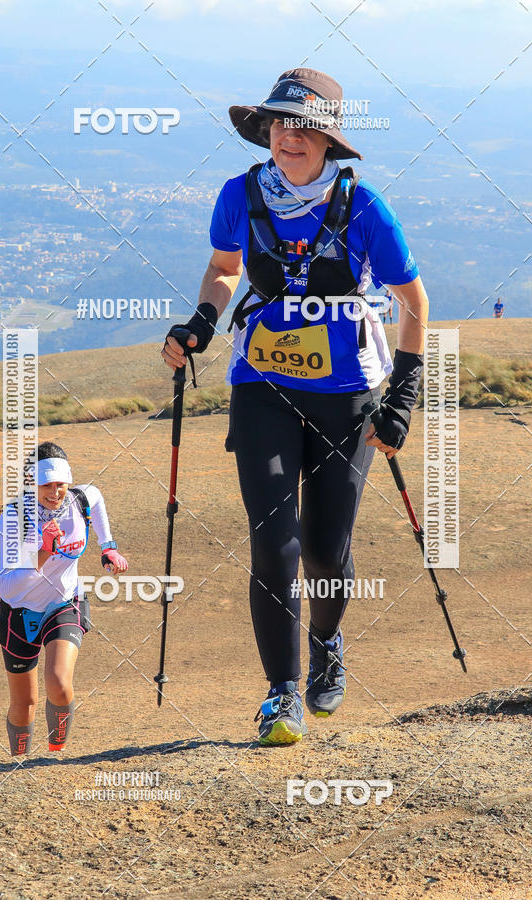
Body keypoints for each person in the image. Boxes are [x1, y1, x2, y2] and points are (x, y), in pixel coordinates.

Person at [162, 68, 428, 746]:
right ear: (266, 131)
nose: (289, 136)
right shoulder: (240, 195)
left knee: (325, 553)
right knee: (273, 541)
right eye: (279, 123)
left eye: (303, 126)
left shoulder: (364, 207)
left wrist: (402, 396)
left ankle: (327, 645)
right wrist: (199, 322)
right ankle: (282, 696)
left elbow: (414, 304)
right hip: (263, 384)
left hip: (348, 396)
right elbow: (225, 269)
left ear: (328, 140)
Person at [0, 441, 128, 756]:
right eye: (46, 485)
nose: (55, 492)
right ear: (32, 483)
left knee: (58, 681)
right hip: (20, 615)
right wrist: (44, 551)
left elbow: (94, 496)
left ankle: (56, 752)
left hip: (64, 603)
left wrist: (108, 545)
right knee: (24, 702)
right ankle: (20, 763)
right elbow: (8, 589)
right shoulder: (14, 520)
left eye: (61, 484)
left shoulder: (78, 500)